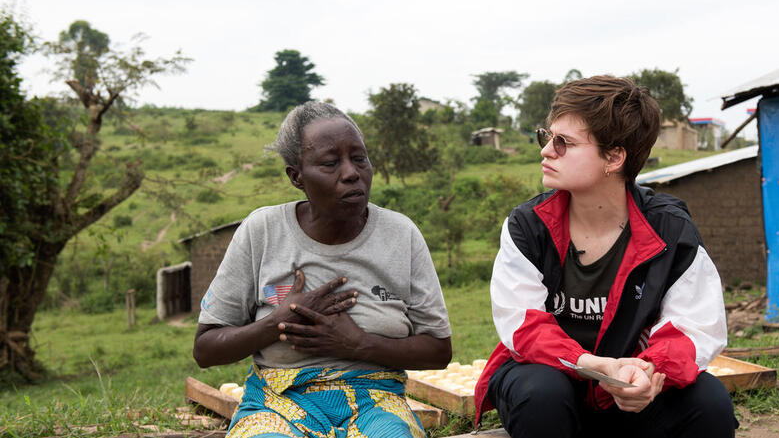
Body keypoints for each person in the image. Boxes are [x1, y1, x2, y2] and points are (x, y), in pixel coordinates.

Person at [473, 76, 736, 438]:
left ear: (614, 157)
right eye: (547, 137)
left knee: (710, 402)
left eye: (564, 143)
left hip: (631, 385)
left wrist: (648, 373)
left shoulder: (670, 230)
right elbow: (524, 325)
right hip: (551, 378)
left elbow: (694, 326)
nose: (546, 151)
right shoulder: (529, 227)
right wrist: (591, 365)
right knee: (542, 393)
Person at [193, 102, 452, 438]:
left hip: (376, 401)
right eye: (331, 163)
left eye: (359, 158)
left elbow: (438, 350)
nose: (351, 173)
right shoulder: (263, 231)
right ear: (296, 176)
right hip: (276, 401)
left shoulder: (400, 234)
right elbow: (206, 349)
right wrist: (277, 322)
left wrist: (358, 344)